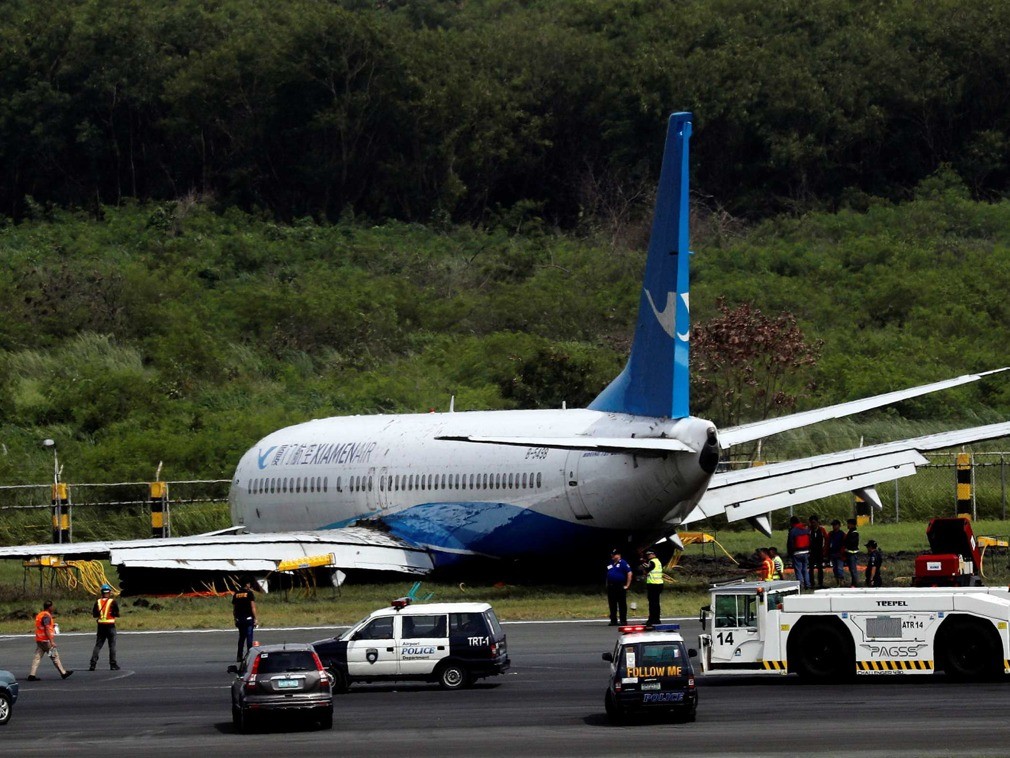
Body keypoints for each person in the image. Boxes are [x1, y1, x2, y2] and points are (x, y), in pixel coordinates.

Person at [27, 600, 72, 681]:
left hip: (39, 640)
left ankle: (32, 674)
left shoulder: (40, 615)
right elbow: (47, 628)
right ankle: (63, 673)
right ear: (49, 607)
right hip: (46, 641)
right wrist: (52, 641)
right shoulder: (47, 616)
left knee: (37, 657)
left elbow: (42, 626)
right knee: (55, 656)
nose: (53, 608)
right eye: (52, 606)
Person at [89, 583, 120, 671]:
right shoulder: (112, 602)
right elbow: (117, 614)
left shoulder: (98, 602)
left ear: (102, 592)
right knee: (112, 646)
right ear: (109, 592)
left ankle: (93, 664)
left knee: (98, 645)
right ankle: (113, 664)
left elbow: (95, 614)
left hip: (101, 626)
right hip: (110, 625)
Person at [232, 579, 259, 662]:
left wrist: (235, 619)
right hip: (248, 618)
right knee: (249, 637)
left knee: (241, 638)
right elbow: (253, 607)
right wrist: (256, 618)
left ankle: (239, 656)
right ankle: (249, 656)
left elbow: (234, 609)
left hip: (240, 619)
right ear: (247, 584)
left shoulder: (236, 594)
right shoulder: (249, 593)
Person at [605, 549, 632, 626]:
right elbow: (608, 574)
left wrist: (627, 585)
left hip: (619, 585)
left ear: (618, 555)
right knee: (612, 603)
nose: (612, 556)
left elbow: (629, 573)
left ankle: (623, 620)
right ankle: (613, 620)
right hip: (611, 586)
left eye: (614, 555)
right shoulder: (611, 563)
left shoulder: (623, 563)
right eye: (612, 555)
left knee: (622, 603)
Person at [787, 516, 811, 589]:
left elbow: (790, 543)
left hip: (797, 553)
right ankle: (808, 584)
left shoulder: (793, 531)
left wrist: (790, 553)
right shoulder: (805, 530)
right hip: (806, 552)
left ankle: (801, 585)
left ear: (792, 523)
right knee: (805, 570)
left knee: (798, 570)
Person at [641, 549, 664, 625]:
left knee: (653, 603)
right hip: (658, 584)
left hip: (654, 584)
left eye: (649, 554)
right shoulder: (658, 561)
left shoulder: (652, 562)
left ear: (653, 554)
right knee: (656, 603)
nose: (648, 556)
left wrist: (641, 562)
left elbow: (647, 568)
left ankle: (652, 619)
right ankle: (656, 619)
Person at [808, 515, 829, 589]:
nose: (813, 524)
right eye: (811, 523)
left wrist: (825, 550)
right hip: (811, 552)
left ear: (817, 522)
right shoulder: (809, 530)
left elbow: (826, 540)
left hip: (820, 551)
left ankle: (820, 583)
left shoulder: (822, 530)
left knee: (820, 568)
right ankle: (811, 583)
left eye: (814, 522)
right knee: (811, 568)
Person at [827, 519, 846, 585]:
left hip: (840, 554)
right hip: (832, 553)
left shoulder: (842, 534)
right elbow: (827, 543)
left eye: (835, 525)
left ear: (839, 526)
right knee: (835, 569)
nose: (834, 526)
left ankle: (841, 580)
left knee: (839, 568)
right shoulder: (830, 534)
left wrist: (842, 552)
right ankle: (837, 581)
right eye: (833, 525)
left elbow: (844, 544)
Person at [843, 518, 861, 587]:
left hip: (852, 554)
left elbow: (851, 543)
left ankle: (855, 584)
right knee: (851, 569)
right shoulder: (850, 532)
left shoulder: (854, 533)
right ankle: (853, 583)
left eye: (848, 524)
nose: (847, 525)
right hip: (849, 554)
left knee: (853, 570)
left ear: (851, 525)